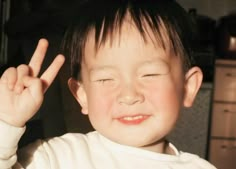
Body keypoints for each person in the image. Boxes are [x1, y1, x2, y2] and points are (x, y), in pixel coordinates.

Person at [0, 0, 217, 168]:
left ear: (188, 87)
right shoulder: (57, 158)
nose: (129, 95)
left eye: (149, 74)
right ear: (82, 95)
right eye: (106, 79)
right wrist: (7, 123)